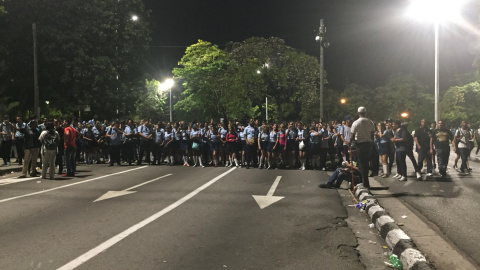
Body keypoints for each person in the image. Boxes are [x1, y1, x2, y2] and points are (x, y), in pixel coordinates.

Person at [350, 106, 375, 188]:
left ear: (358, 113)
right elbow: (372, 135)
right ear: (365, 113)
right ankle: (365, 181)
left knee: (361, 163)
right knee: (366, 164)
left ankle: (364, 182)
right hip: (368, 144)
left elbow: (352, 136)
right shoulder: (370, 122)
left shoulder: (356, 123)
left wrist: (351, 143)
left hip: (360, 144)